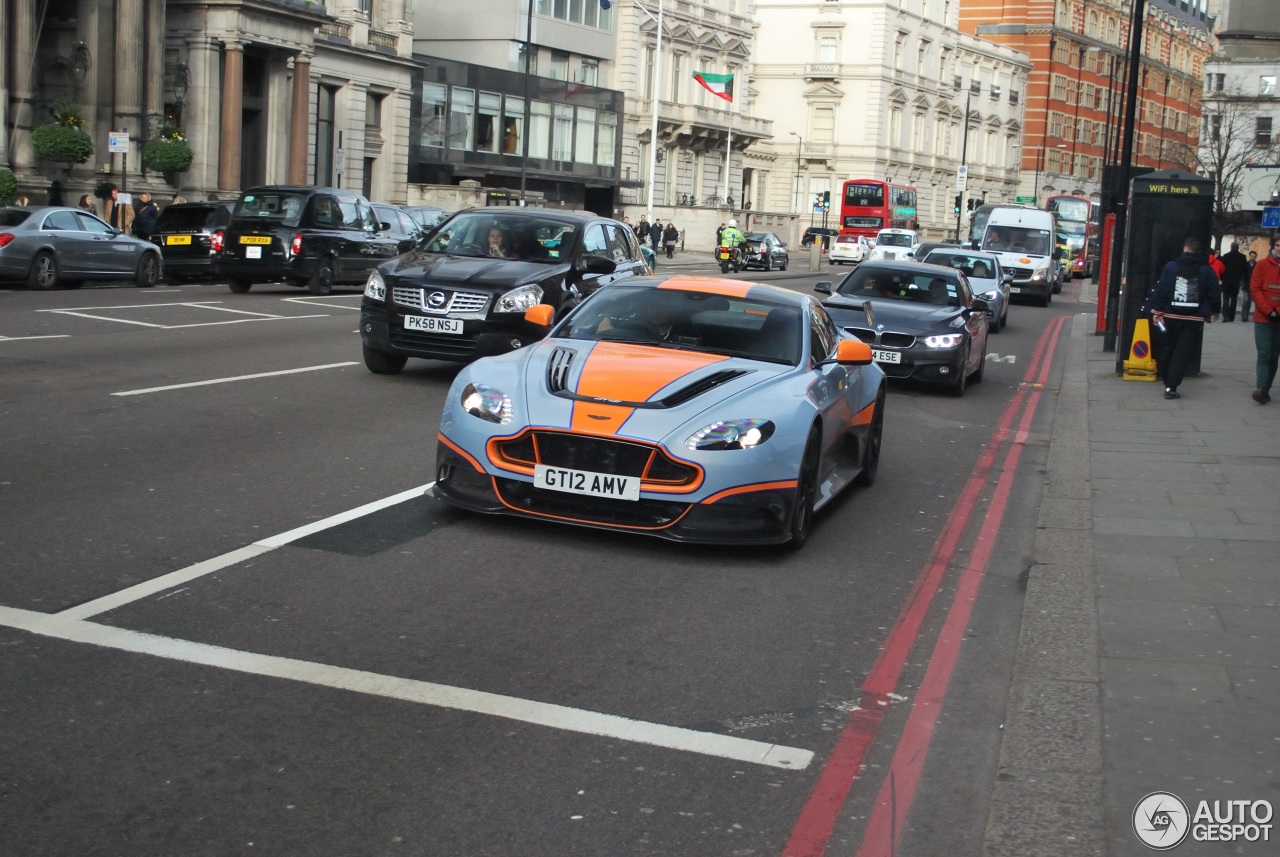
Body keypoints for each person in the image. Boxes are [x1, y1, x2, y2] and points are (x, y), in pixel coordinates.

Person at [1143, 236, 1222, 400]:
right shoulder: (1206, 270)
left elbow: (1162, 289)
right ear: (1199, 251)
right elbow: (1214, 293)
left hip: (1170, 315)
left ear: (1185, 248)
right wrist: (1215, 310)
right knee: (1183, 352)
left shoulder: (1172, 266)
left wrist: (1157, 311)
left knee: (1169, 348)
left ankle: (1166, 379)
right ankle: (1172, 386)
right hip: (1194, 318)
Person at [1247, 238, 1280, 404]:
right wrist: (1268, 310)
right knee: (1265, 352)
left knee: (1274, 355)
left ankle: (1266, 389)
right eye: (1278, 245)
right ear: (1274, 246)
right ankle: (1260, 388)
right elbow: (1255, 288)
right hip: (1263, 318)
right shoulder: (1262, 265)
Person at [1219, 241, 1250, 322]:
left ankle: (1225, 316)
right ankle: (1231, 316)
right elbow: (1245, 270)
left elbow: (1222, 269)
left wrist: (1222, 278)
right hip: (1236, 281)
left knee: (1225, 299)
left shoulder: (1226, 256)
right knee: (1234, 299)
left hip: (1226, 280)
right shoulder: (1242, 257)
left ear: (1231, 247)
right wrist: (1244, 279)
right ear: (1238, 248)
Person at [1242, 250, 1258, 319]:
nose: (1253, 257)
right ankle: (1244, 316)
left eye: (1254, 256)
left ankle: (1246, 315)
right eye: (1252, 256)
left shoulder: (1257, 265)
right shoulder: (1245, 264)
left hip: (1252, 286)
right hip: (1245, 285)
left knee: (1249, 302)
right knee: (1245, 301)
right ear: (1249, 256)